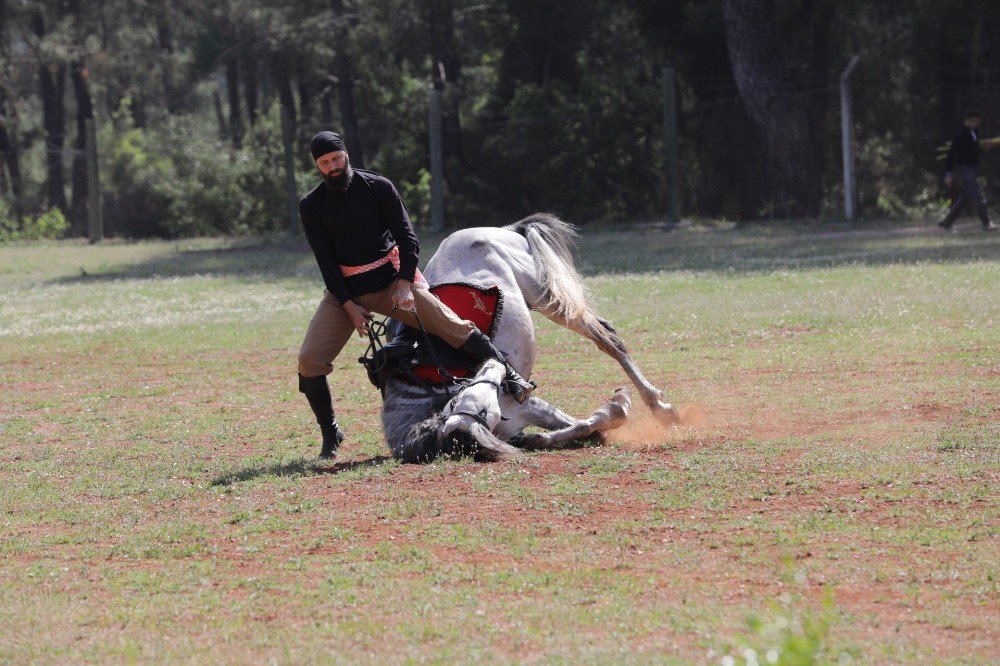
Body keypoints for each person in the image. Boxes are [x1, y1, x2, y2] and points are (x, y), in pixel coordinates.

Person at [297, 131, 533, 459]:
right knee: (309, 361)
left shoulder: (378, 187)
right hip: (345, 294)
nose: (333, 167)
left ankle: (511, 376)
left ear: (346, 154)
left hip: (393, 285)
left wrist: (406, 284)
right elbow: (325, 260)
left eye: (337, 159)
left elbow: (407, 238)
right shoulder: (311, 205)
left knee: (454, 326)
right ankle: (330, 433)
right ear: (317, 166)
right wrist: (348, 304)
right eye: (325, 163)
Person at [939, 109, 999, 232]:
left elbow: (974, 152)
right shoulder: (960, 135)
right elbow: (951, 155)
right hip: (964, 169)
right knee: (978, 195)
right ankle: (987, 223)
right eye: (973, 121)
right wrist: (948, 174)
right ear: (967, 121)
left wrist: (987, 147)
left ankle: (947, 222)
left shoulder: (975, 132)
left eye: (977, 122)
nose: (976, 124)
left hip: (972, 168)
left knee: (965, 197)